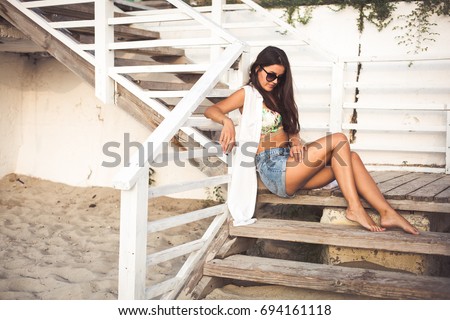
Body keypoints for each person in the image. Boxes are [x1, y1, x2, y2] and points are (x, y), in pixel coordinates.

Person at [204, 46, 419, 234]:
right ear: (258, 69)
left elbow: (286, 130)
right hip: (274, 169)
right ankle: (355, 208)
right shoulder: (247, 93)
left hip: (292, 162)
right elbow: (212, 109)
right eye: (271, 75)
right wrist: (227, 122)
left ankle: (387, 212)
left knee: (350, 158)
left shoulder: (277, 96)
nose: (275, 81)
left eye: (280, 77)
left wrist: (295, 140)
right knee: (340, 140)